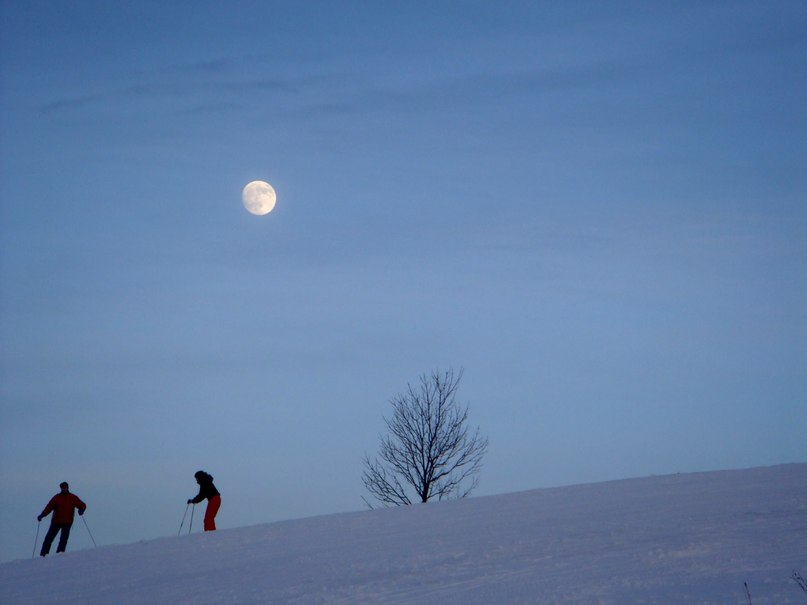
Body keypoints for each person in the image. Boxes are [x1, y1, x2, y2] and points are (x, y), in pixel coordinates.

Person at [37, 481, 87, 556]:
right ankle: (43, 555)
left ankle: (59, 554)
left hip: (67, 522)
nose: (63, 489)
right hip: (56, 522)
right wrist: (42, 515)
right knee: (48, 539)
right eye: (62, 488)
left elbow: (82, 505)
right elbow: (49, 507)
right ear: (60, 488)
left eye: (65, 487)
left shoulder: (72, 497)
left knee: (63, 540)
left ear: (67, 488)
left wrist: (81, 510)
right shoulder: (56, 498)